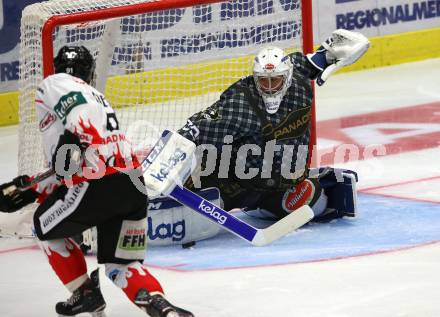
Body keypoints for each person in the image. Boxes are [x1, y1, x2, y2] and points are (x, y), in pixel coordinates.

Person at [0, 46, 193, 317]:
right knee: (121, 265)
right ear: (90, 73)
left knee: (43, 226)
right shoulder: (99, 97)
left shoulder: (54, 83)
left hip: (97, 184)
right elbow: (70, 164)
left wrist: (73, 141)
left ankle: (85, 292)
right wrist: (31, 187)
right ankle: (161, 306)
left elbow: (77, 133)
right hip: (132, 186)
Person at [175, 29, 370, 223]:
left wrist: (337, 51)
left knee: (320, 202)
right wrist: (169, 156)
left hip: (279, 184)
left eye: (275, 80)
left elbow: (325, 55)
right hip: (235, 184)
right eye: (263, 81)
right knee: (189, 220)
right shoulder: (240, 105)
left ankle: (266, 205)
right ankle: (246, 204)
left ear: (287, 76)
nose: (269, 87)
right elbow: (197, 131)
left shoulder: (299, 78)